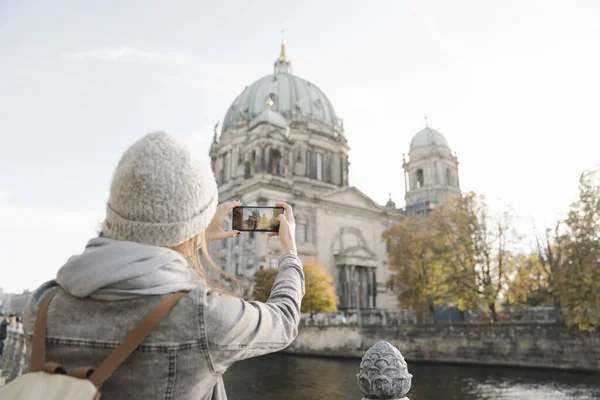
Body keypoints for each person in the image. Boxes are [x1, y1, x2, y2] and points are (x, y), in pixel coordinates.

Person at [23, 132, 304, 400]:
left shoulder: (41, 307)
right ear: (194, 226)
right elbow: (285, 320)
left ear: (111, 218)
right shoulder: (206, 317)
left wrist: (194, 235)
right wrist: (290, 252)